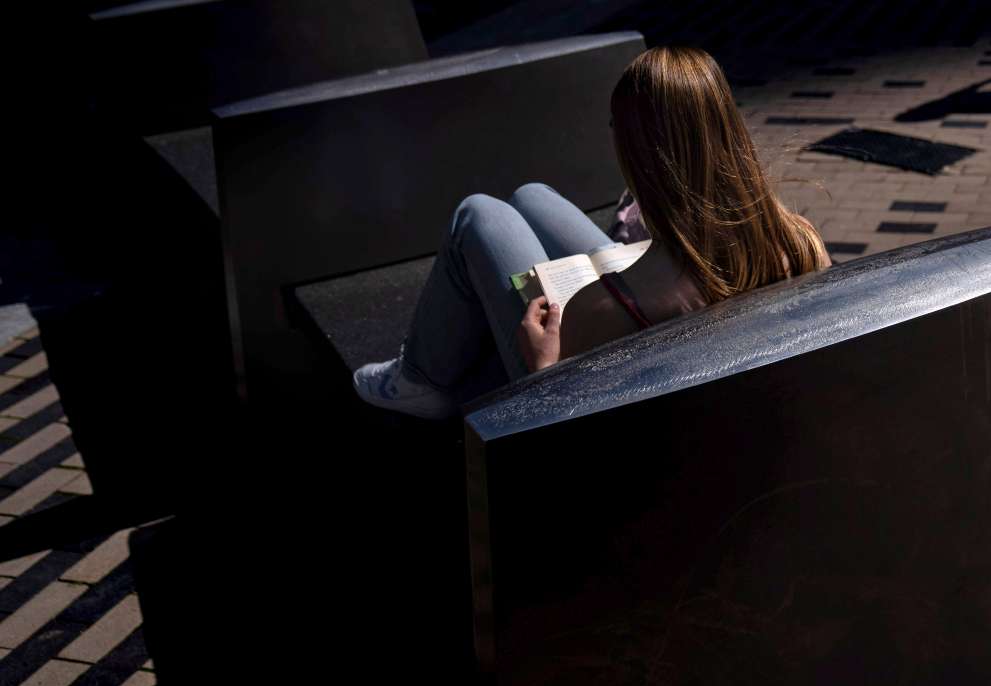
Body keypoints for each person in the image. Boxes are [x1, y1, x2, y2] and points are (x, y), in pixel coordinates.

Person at [352, 46, 832, 418]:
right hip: (672, 308)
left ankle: (417, 378)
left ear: (640, 156)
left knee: (479, 215)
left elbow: (561, 424)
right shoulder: (799, 240)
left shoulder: (598, 310)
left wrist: (541, 365)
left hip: (607, 343)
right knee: (532, 196)